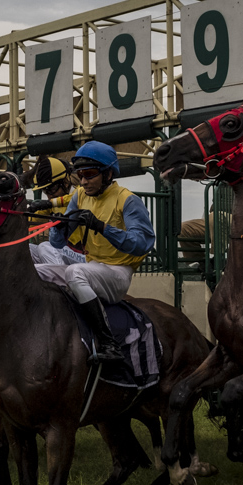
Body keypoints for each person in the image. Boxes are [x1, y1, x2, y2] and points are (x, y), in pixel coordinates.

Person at [43, 141, 155, 362]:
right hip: (92, 267)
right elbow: (56, 244)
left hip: (118, 272)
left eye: (90, 174)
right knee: (37, 271)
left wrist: (102, 227)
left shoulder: (128, 200)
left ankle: (109, 342)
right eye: (80, 175)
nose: (84, 181)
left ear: (108, 173)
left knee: (74, 273)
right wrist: (59, 226)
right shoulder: (80, 196)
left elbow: (143, 243)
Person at [24, 156, 87, 267]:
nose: (49, 195)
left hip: (85, 257)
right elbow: (33, 219)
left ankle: (63, 282)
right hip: (68, 254)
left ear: (66, 183)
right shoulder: (53, 201)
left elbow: (72, 198)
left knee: (44, 247)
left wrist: (52, 203)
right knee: (27, 248)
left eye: (51, 189)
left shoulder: (80, 194)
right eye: (45, 191)